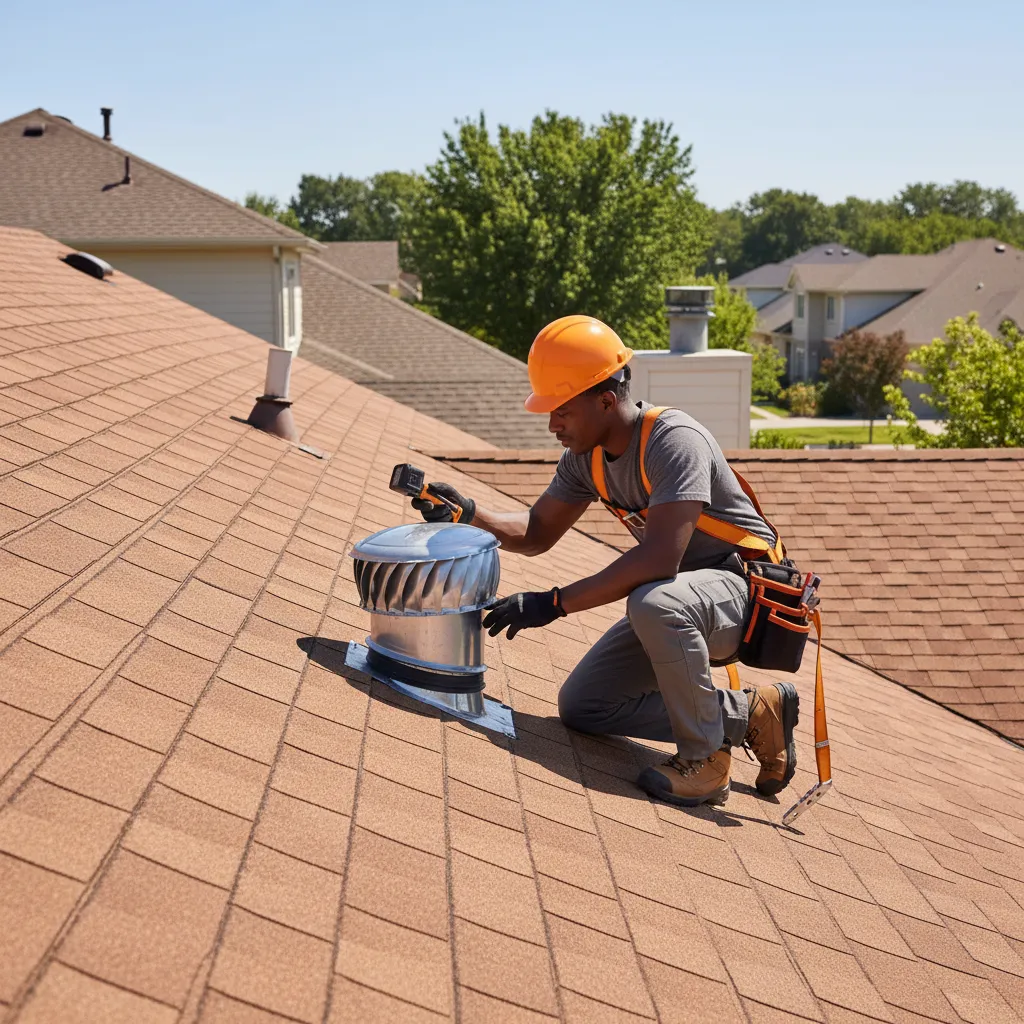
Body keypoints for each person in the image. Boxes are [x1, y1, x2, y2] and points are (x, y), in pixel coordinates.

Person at [408, 315, 798, 808]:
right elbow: (536, 532)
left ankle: (704, 759)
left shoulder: (674, 441)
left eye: (561, 412)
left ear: (606, 400)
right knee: (585, 706)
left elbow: (659, 557)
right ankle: (750, 714)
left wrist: (554, 603)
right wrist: (467, 513)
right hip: (676, 600)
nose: (552, 425)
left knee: (654, 600)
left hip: (741, 595)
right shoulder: (584, 457)